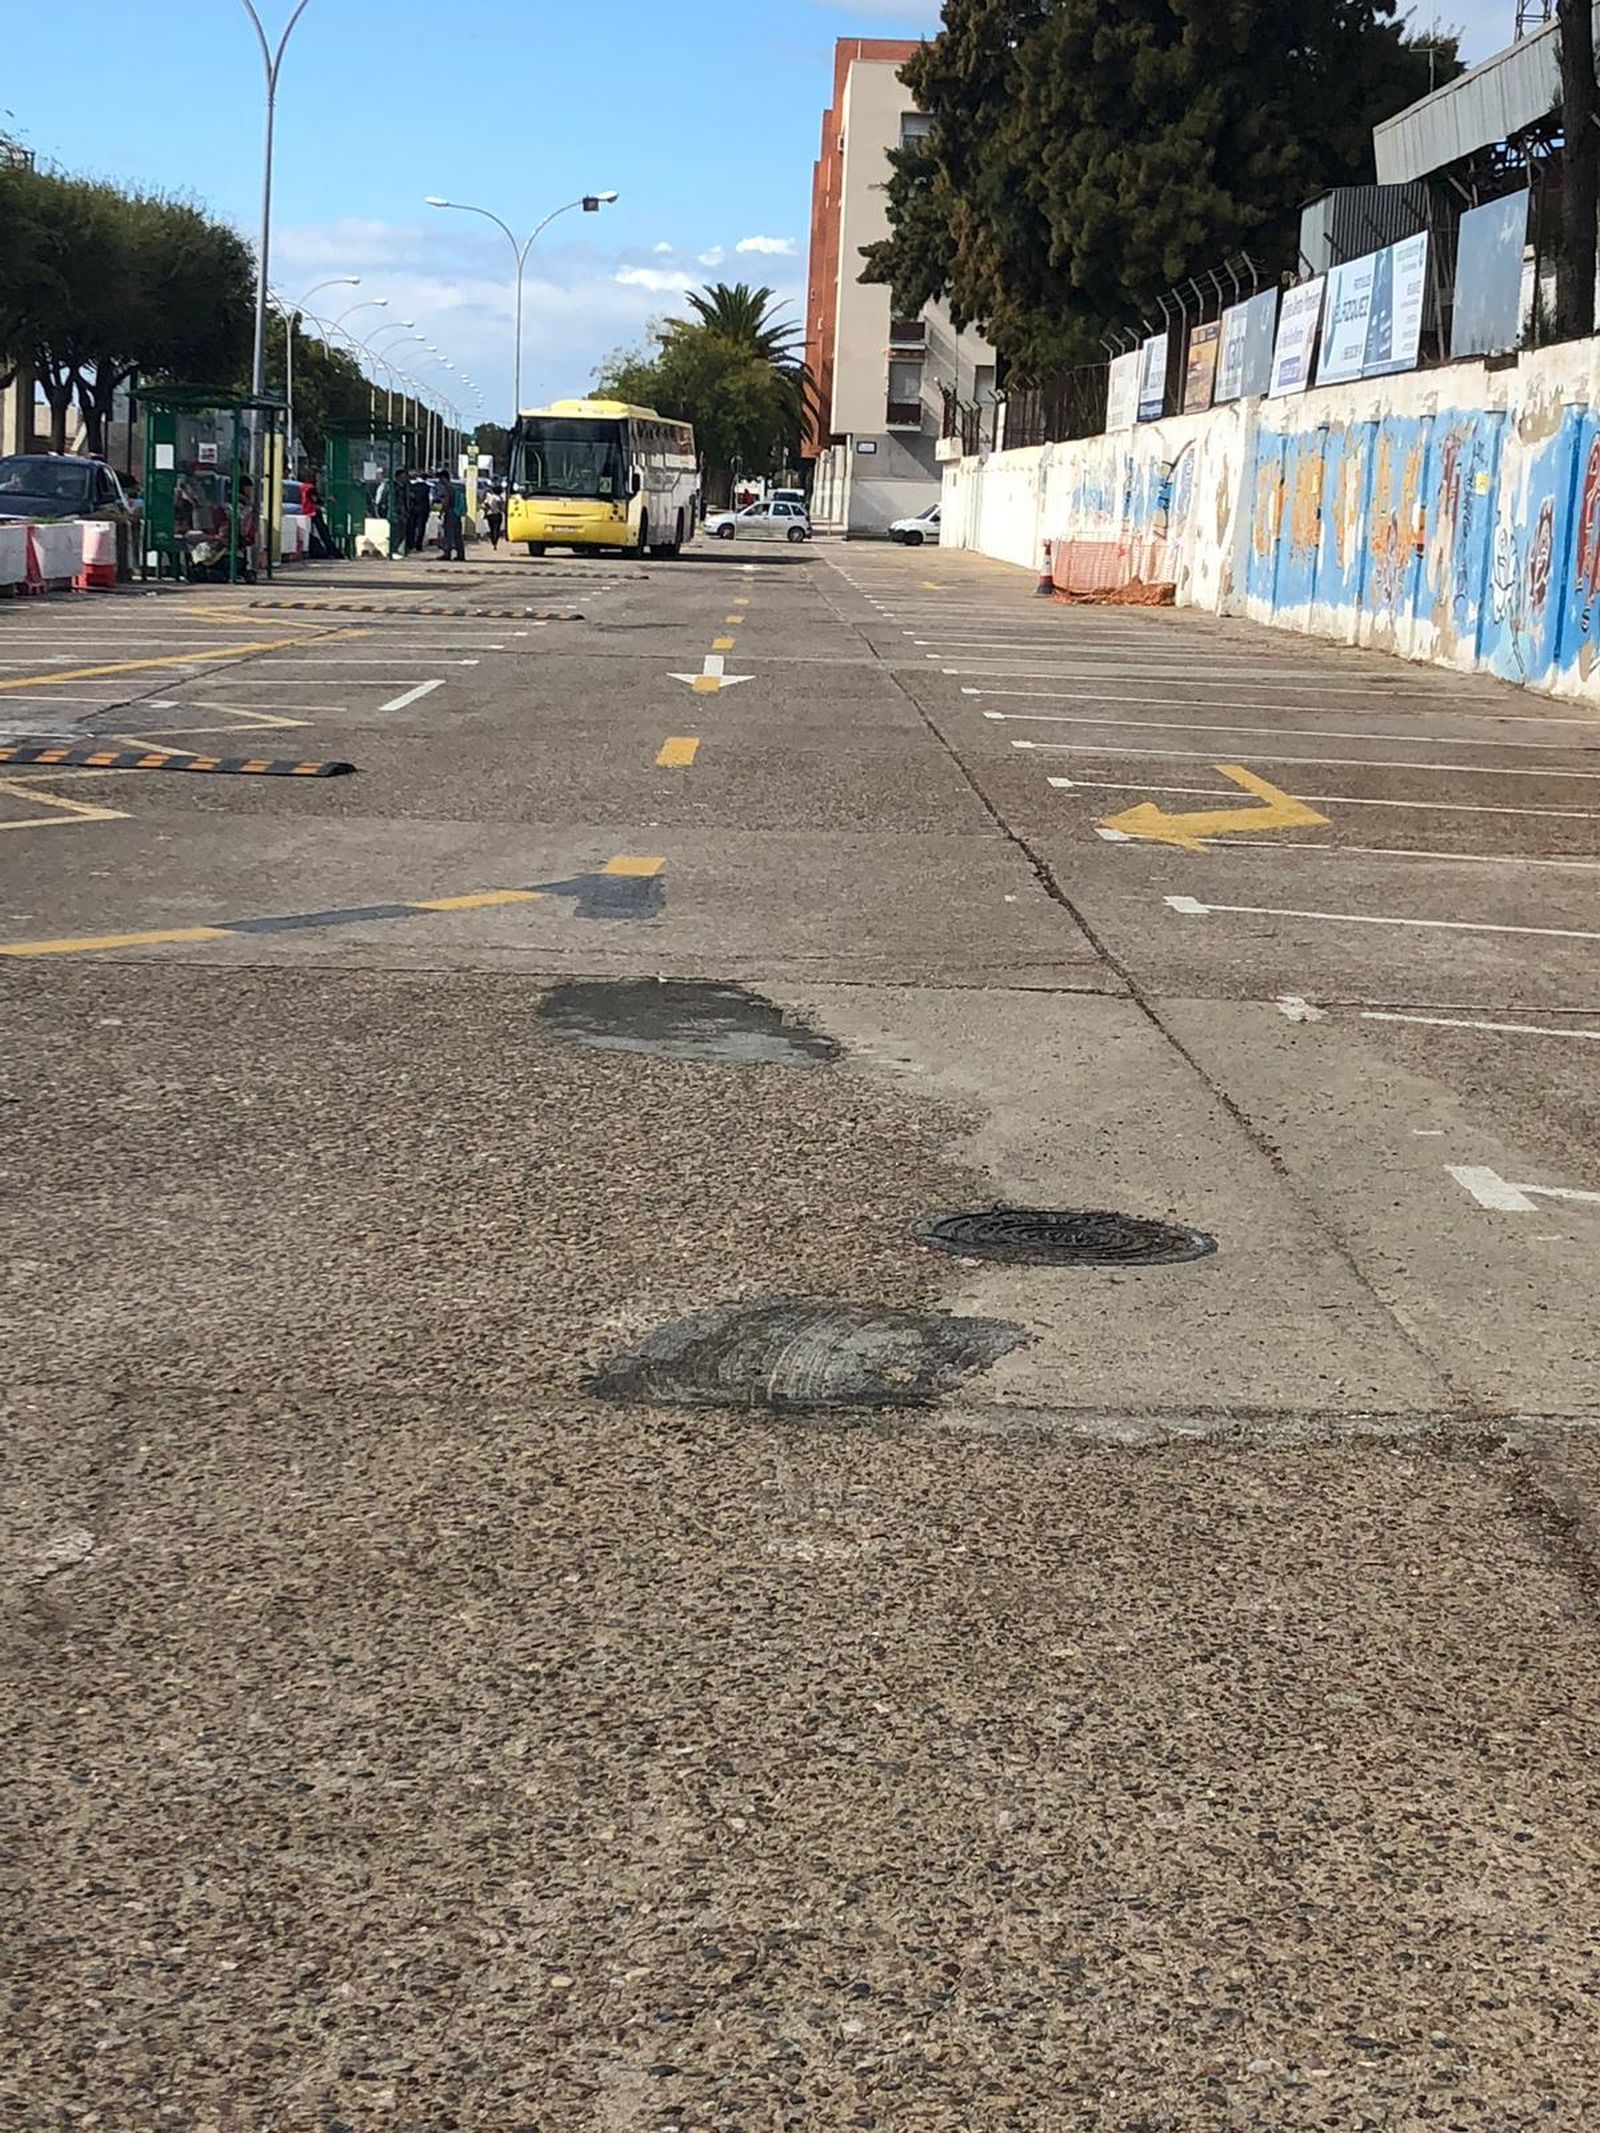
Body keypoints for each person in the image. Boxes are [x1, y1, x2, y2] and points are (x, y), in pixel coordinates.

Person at [302, 471, 334, 559]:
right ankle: (331, 551)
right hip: (313, 512)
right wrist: (328, 500)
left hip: (306, 511)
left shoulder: (303, 486)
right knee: (323, 531)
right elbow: (315, 500)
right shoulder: (311, 488)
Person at [436, 469, 464, 561]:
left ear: (444, 478)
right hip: (457, 513)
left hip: (450, 512)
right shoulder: (454, 487)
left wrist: (441, 512)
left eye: (440, 478)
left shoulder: (447, 488)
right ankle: (460, 555)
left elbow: (446, 501)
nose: (439, 480)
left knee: (448, 534)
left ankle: (447, 553)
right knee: (457, 535)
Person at [404, 469, 433, 557]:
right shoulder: (428, 487)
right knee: (421, 527)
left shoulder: (412, 487)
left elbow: (409, 497)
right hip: (423, 509)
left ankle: (410, 544)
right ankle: (418, 544)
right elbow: (431, 499)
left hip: (413, 509)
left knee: (412, 526)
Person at [483, 484, 505, 551]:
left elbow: (485, 505)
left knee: (491, 528)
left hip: (490, 515)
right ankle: (495, 542)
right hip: (498, 515)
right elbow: (502, 507)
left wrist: (486, 512)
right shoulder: (500, 498)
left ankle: (493, 540)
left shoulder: (489, 497)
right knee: (497, 529)